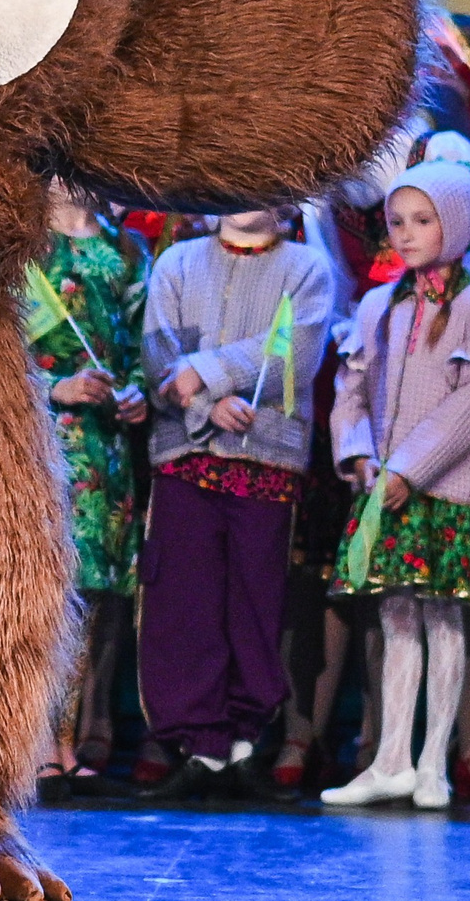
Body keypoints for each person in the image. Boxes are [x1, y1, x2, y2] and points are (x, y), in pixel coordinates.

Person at [321, 160, 470, 809]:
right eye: (397, 221)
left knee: (443, 618)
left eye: (422, 220)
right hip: (385, 488)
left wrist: (408, 467)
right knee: (396, 616)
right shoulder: (380, 304)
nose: (405, 233)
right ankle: (390, 758)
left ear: (454, 224)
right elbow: (351, 391)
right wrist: (359, 455)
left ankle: (435, 760)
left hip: (443, 490)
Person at [138, 203, 334, 802]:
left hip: (264, 452)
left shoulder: (306, 268)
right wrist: (204, 406)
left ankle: (246, 742)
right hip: (187, 453)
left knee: (255, 598)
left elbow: (294, 355)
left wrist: (208, 371)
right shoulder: (177, 262)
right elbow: (157, 358)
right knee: (185, 599)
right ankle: (201, 747)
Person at [29, 177, 150, 796]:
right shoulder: (26, 245)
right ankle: (43, 740)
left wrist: (134, 391)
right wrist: (55, 388)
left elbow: (139, 341)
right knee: (52, 588)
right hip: (46, 440)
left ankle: (84, 732)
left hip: (107, 444)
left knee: (101, 592)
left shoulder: (126, 249)